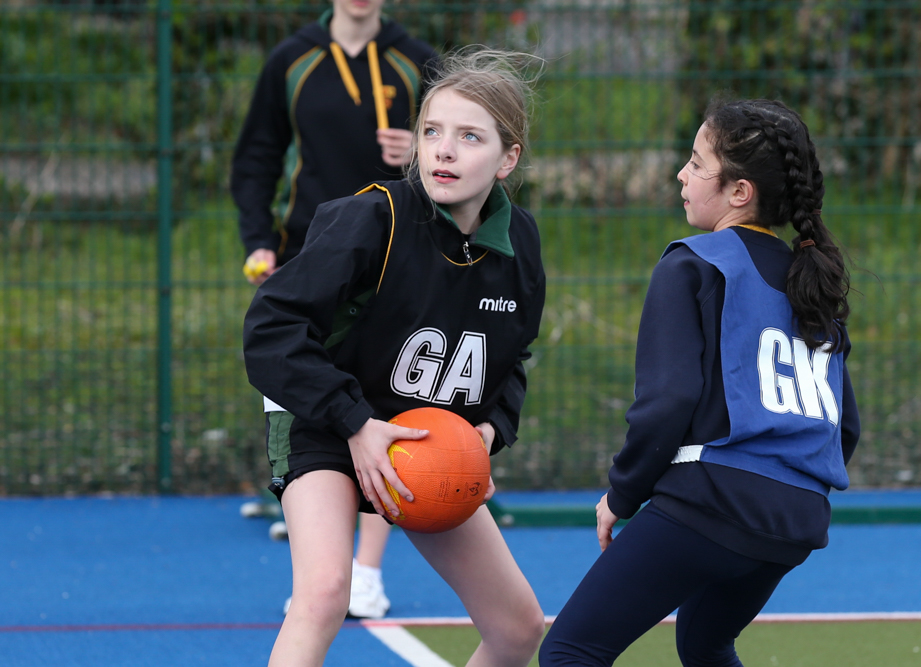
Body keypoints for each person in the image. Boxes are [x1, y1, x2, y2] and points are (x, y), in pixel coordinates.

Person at [243, 48, 547, 666]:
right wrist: (353, 421)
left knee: (519, 627)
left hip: (422, 442)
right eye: (432, 131)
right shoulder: (370, 218)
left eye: (469, 136)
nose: (444, 149)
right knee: (326, 592)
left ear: (508, 158)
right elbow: (271, 327)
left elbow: (514, 356)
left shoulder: (519, 243)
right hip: (328, 421)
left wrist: (491, 427)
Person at [539, 98, 861, 667]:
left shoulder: (693, 263)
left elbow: (668, 401)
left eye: (695, 162)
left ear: (740, 192)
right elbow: (845, 427)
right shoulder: (814, 282)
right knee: (706, 644)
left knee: (570, 652)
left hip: (714, 501)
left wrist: (623, 493)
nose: (681, 175)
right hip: (797, 521)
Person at [230, 0, 437, 619]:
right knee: (315, 399)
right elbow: (256, 157)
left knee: (388, 398)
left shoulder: (417, 62)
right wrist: (258, 240)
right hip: (310, 255)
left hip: (396, 254)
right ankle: (323, 562)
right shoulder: (291, 60)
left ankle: (366, 571)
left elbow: (458, 157)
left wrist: (418, 151)